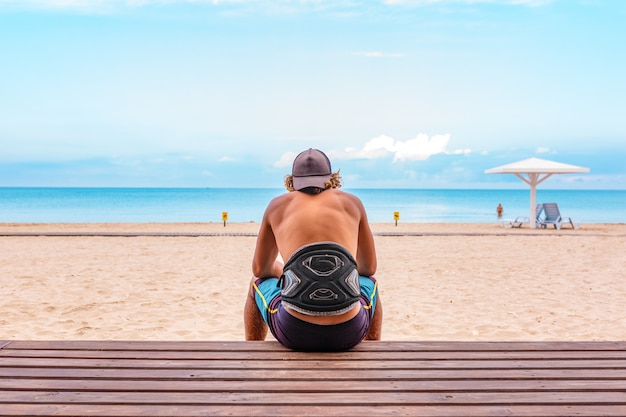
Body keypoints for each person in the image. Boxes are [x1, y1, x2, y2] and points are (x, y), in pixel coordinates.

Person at [244, 148, 382, 351]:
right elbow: (368, 268)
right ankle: (374, 351)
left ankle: (252, 352)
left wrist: (285, 271)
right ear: (332, 178)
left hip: (294, 332)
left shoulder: (276, 206)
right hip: (349, 332)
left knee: (256, 283)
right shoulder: (353, 203)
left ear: (292, 181)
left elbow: (260, 270)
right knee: (370, 283)